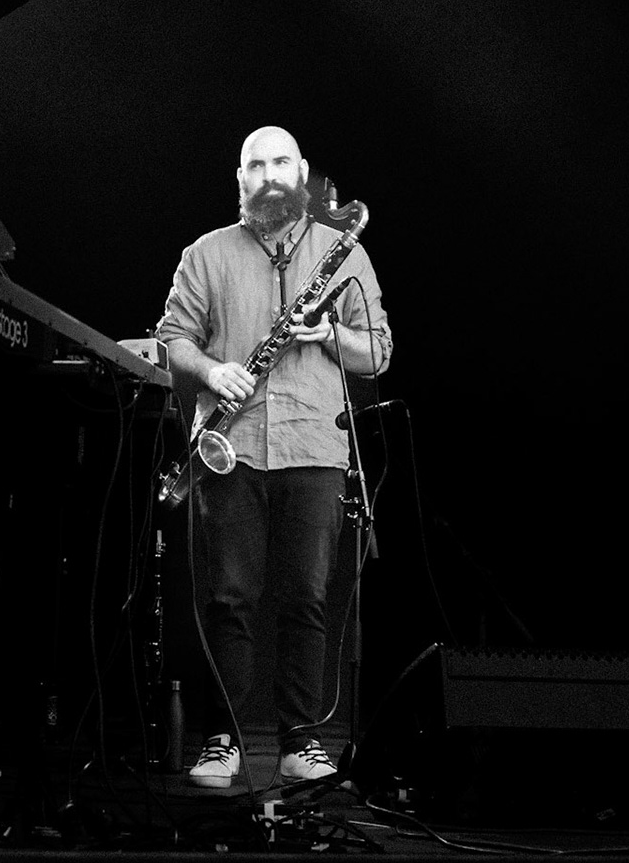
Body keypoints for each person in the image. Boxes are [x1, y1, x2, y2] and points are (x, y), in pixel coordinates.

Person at [155, 125, 393, 789]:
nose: (268, 175)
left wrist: (330, 332)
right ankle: (222, 740)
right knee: (229, 598)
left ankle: (301, 741)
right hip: (229, 448)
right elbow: (172, 340)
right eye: (255, 165)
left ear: (301, 171)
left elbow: (378, 352)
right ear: (241, 179)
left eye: (280, 163)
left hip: (315, 446)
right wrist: (212, 370)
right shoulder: (205, 254)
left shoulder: (344, 254)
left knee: (307, 598)